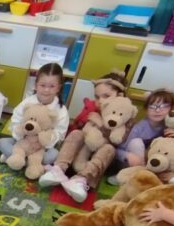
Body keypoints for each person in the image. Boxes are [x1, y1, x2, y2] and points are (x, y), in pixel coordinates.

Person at [39, 71, 129, 202]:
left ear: (120, 96)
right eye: (97, 97)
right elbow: (78, 128)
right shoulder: (92, 108)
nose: (100, 101)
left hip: (96, 164)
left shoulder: (124, 115)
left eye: (106, 96)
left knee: (109, 148)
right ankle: (58, 169)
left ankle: (81, 181)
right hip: (80, 155)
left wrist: (101, 125)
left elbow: (119, 141)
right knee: (76, 133)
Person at [0, 63, 69, 165]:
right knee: (2, 142)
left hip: (42, 148)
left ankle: (17, 159)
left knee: (54, 154)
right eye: (42, 85)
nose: (46, 90)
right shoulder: (27, 102)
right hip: (22, 142)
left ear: (58, 88)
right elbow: (15, 121)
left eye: (52, 86)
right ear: (36, 85)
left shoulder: (61, 110)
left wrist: (42, 142)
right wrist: (22, 136)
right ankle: (29, 162)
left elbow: (60, 134)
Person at [115, 88, 174, 169]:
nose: (157, 110)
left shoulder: (170, 125)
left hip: (156, 161)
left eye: (164, 106)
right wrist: (128, 155)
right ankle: (140, 171)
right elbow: (118, 151)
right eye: (152, 106)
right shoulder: (139, 128)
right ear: (146, 109)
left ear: (171, 109)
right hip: (133, 162)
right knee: (135, 143)